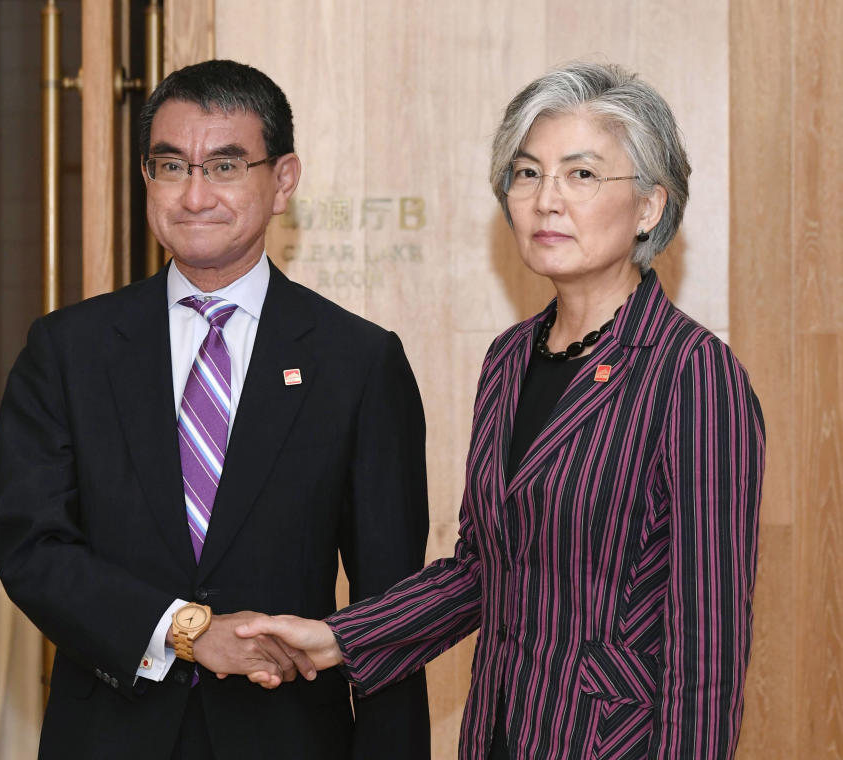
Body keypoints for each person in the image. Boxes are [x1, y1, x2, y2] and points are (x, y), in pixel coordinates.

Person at [238, 61, 766, 760]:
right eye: (525, 174)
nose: (546, 200)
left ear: (648, 205)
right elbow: (482, 570)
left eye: (580, 175)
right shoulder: (510, 356)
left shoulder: (692, 372)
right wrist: (338, 637)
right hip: (498, 730)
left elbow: (708, 645)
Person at [0, 59, 430, 760]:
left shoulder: (357, 361)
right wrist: (185, 629)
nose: (194, 195)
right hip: (108, 734)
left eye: (225, 167)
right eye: (170, 166)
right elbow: (32, 547)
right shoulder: (67, 349)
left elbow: (391, 612)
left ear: (282, 180)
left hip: (287, 738)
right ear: (146, 177)